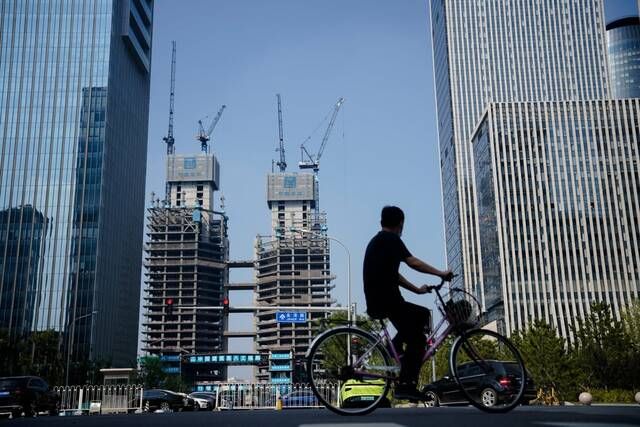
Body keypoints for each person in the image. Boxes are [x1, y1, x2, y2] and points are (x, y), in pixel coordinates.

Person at [363, 205, 453, 401]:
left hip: (382, 300)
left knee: (421, 315)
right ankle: (406, 385)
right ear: (401, 224)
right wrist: (440, 273)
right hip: (387, 300)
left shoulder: (378, 241)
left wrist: (417, 290)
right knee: (418, 338)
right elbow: (413, 262)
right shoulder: (391, 239)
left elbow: (394, 275)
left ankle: (395, 348)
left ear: (381, 222)